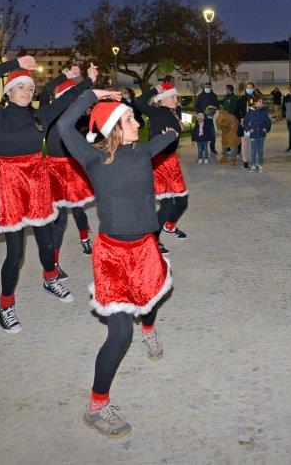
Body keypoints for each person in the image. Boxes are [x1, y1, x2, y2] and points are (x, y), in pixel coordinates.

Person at [56, 89, 176, 437]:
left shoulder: (142, 151)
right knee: (121, 333)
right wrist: (92, 94)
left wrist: (170, 131)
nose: (137, 123)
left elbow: (166, 138)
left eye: (134, 117)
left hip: (145, 247)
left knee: (152, 296)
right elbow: (64, 125)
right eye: (129, 119)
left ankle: (150, 331)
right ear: (113, 129)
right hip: (113, 255)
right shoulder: (93, 159)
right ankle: (96, 406)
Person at [0, 56, 80, 334]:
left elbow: (67, 99)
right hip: (11, 190)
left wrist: (84, 81)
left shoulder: (38, 117)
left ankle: (50, 278)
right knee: (15, 254)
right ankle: (6, 306)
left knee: (47, 241)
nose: (26, 92)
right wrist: (15, 63)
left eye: (30, 88)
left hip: (37, 187)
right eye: (20, 87)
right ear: (8, 91)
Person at [41, 64, 99, 271]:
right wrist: (65, 76)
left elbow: (93, 132)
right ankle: (54, 263)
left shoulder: (76, 118)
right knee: (60, 219)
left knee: (79, 210)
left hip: (72, 169)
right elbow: (46, 90)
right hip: (54, 170)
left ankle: (84, 238)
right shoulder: (47, 116)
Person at [135, 82, 189, 252]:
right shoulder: (155, 111)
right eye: (172, 97)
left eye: (176, 97)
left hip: (172, 161)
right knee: (166, 204)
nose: (176, 100)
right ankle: (154, 239)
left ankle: (169, 227)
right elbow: (138, 102)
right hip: (158, 162)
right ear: (161, 99)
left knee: (182, 200)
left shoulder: (174, 111)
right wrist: (154, 90)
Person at [242, 94, 272, 172]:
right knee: (253, 150)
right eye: (260, 101)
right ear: (255, 103)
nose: (261, 103)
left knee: (260, 151)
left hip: (261, 134)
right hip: (253, 135)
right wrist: (248, 129)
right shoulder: (250, 111)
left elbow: (268, 121)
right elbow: (245, 122)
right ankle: (253, 166)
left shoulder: (263, 111)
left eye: (262, 101)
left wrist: (266, 128)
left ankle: (261, 165)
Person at [195, 83, 219, 154]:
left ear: (211, 87)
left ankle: (212, 149)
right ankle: (202, 149)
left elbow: (217, 106)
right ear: (204, 87)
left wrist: (214, 114)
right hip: (203, 119)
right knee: (202, 134)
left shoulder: (214, 96)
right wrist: (200, 113)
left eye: (209, 87)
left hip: (211, 119)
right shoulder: (200, 96)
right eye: (206, 87)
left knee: (212, 135)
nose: (207, 88)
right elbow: (197, 106)